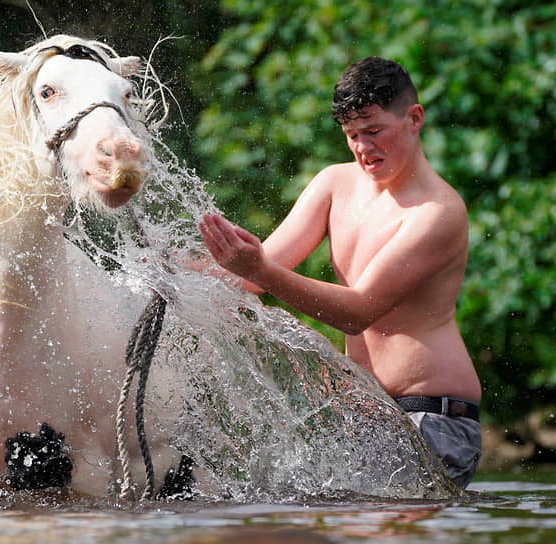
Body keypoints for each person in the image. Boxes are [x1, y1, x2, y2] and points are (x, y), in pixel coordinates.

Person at [198, 57, 482, 488]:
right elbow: (251, 275)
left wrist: (259, 268)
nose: (363, 147)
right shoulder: (335, 184)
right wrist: (170, 272)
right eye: (352, 135)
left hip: (432, 415)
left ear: (414, 119)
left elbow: (358, 311)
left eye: (373, 131)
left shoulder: (437, 213)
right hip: (368, 413)